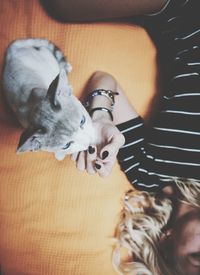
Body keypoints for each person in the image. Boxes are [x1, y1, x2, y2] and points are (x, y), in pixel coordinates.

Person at [45, 0, 200, 274]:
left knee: (62, 6)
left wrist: (101, 116)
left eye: (198, 256)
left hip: (183, 15)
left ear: (167, 242)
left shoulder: (147, 173)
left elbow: (106, 82)